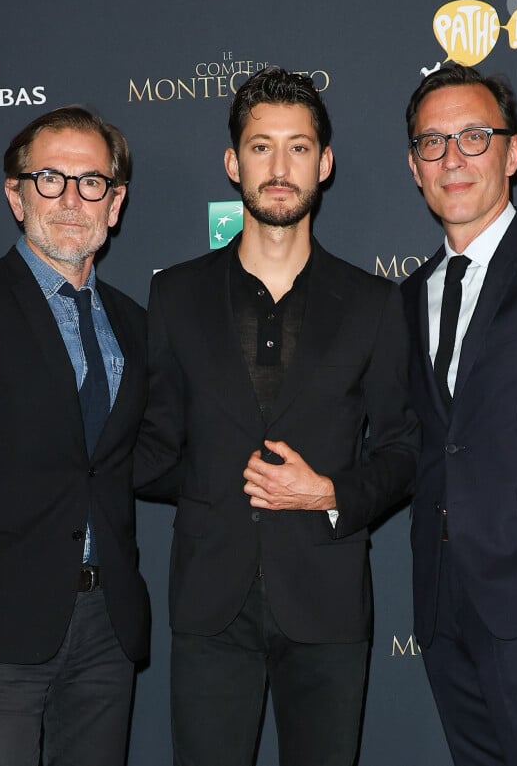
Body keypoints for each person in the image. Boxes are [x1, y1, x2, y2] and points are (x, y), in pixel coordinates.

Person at [135, 66, 419, 766]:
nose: (280, 166)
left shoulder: (375, 303)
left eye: (298, 147)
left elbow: (406, 449)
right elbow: (154, 446)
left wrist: (327, 492)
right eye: (261, 147)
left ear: (324, 163)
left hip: (326, 603)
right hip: (209, 601)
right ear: (233, 163)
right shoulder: (175, 295)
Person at [0, 106, 151, 766]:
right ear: (16, 195)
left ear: (117, 202)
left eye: (91, 182)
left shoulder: (133, 323)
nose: (72, 199)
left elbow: (138, 459)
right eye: (50, 179)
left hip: (106, 628)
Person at [402, 63, 517, 765]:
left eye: (473, 136)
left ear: (512, 152)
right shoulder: (406, 297)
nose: (452, 158)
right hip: (443, 602)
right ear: (414, 166)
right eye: (433, 143)